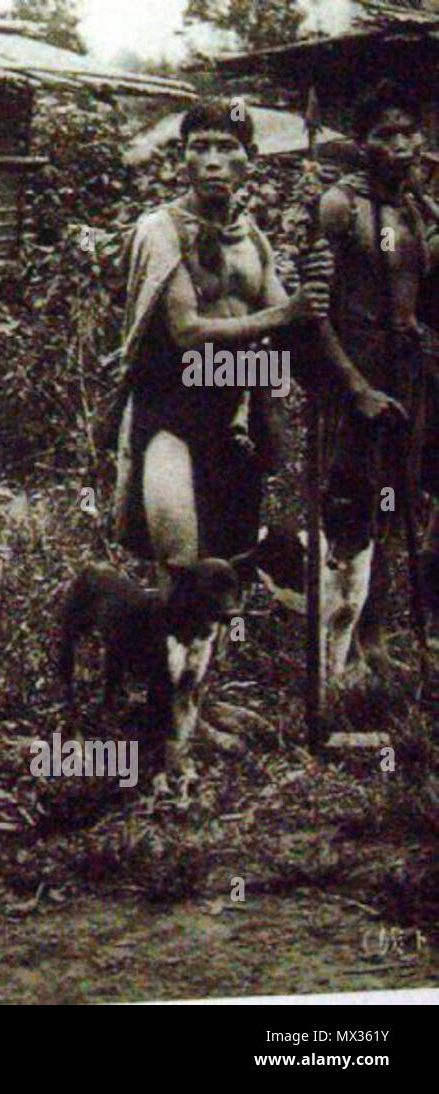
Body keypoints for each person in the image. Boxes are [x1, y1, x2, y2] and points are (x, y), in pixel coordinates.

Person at [114, 99, 332, 566]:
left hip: (233, 413)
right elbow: (187, 332)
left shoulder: (251, 237)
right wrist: (287, 314)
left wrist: (320, 281)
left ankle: (221, 642)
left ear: (249, 158)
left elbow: (294, 329)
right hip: (170, 410)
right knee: (181, 564)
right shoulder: (162, 230)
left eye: (226, 147)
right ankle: (165, 640)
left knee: (230, 564)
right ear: (182, 158)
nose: (212, 161)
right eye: (200, 148)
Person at [316, 78, 439, 676]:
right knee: (351, 511)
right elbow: (311, 310)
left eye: (408, 132)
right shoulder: (341, 206)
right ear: (361, 143)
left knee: (395, 505)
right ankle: (339, 653)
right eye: (383, 134)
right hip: (357, 379)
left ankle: (379, 635)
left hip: (406, 375)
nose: (400, 144)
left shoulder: (413, 207)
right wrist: (354, 388)